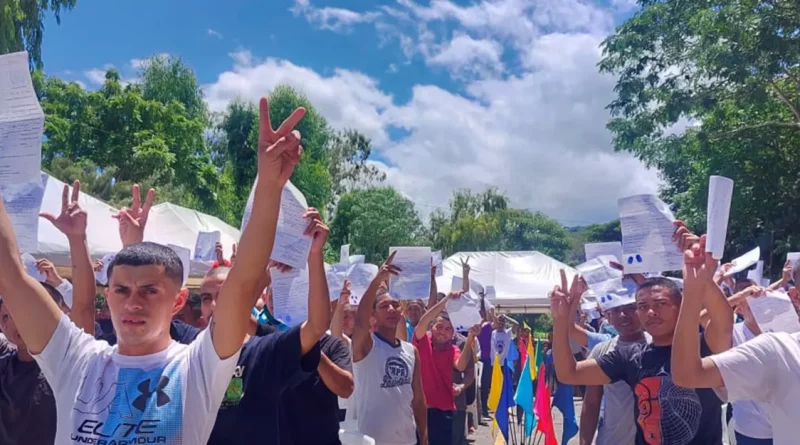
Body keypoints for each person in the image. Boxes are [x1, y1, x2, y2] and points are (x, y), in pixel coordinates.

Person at [0, 96, 305, 444]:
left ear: (178, 302)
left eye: (149, 291)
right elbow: (10, 274)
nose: (133, 303)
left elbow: (243, 281)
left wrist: (268, 185)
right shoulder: (77, 360)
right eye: (121, 290)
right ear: (108, 295)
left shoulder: (196, 367)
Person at [551, 222, 733, 445]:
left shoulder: (704, 347)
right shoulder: (631, 355)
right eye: (642, 305)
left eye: (660, 303)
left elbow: (723, 321)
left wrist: (701, 278)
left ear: (681, 306)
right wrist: (560, 321)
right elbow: (569, 373)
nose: (650, 312)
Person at [670, 234, 797, 444]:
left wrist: (781, 282)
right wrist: (706, 281)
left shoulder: (785, 332)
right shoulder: (739, 334)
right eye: (751, 298)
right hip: (753, 429)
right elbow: (705, 319)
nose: (760, 299)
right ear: (739, 307)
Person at [0, 180, 96, 445]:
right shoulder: (4, 360)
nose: (14, 322)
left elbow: (84, 307)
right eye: (5, 317)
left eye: (20, 312)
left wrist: (77, 239)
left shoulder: (67, 363)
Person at [352, 252, 428, 445]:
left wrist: (424, 437)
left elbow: (418, 399)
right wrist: (378, 280)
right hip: (373, 441)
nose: (392, 309)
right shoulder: (366, 347)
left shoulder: (411, 351)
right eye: (384, 306)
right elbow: (360, 322)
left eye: (395, 305)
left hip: (408, 440)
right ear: (373, 315)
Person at [579, 298, 649, 445]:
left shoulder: (659, 346)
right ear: (608, 317)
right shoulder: (601, 351)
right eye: (616, 310)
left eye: (630, 307)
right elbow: (591, 403)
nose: (623, 314)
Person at [413, 292, 477, 445]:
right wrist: (446, 301)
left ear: (453, 332)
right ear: (432, 326)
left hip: (444, 411)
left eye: (448, 329)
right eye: (439, 326)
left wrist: (470, 339)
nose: (443, 331)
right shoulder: (422, 340)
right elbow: (423, 321)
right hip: (420, 410)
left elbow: (460, 365)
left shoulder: (453, 348)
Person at [452, 330, 476, 445]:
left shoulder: (463, 343)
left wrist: (461, 386)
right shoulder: (427, 340)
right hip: (431, 406)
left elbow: (470, 373)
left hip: (456, 403)